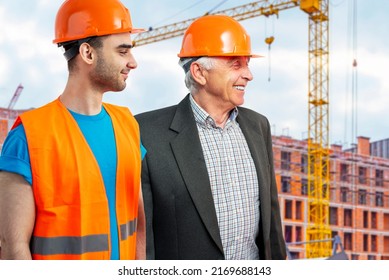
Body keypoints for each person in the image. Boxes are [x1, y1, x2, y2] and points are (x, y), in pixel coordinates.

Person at [0, 0, 146, 260]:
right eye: (123, 52)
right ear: (88, 53)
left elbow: (137, 225)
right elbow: (13, 249)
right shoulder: (29, 135)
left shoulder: (128, 125)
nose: (133, 62)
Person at [135, 15, 286, 260]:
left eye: (247, 64)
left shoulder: (258, 126)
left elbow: (271, 222)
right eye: (236, 65)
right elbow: (143, 237)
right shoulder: (146, 132)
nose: (249, 75)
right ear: (199, 72)